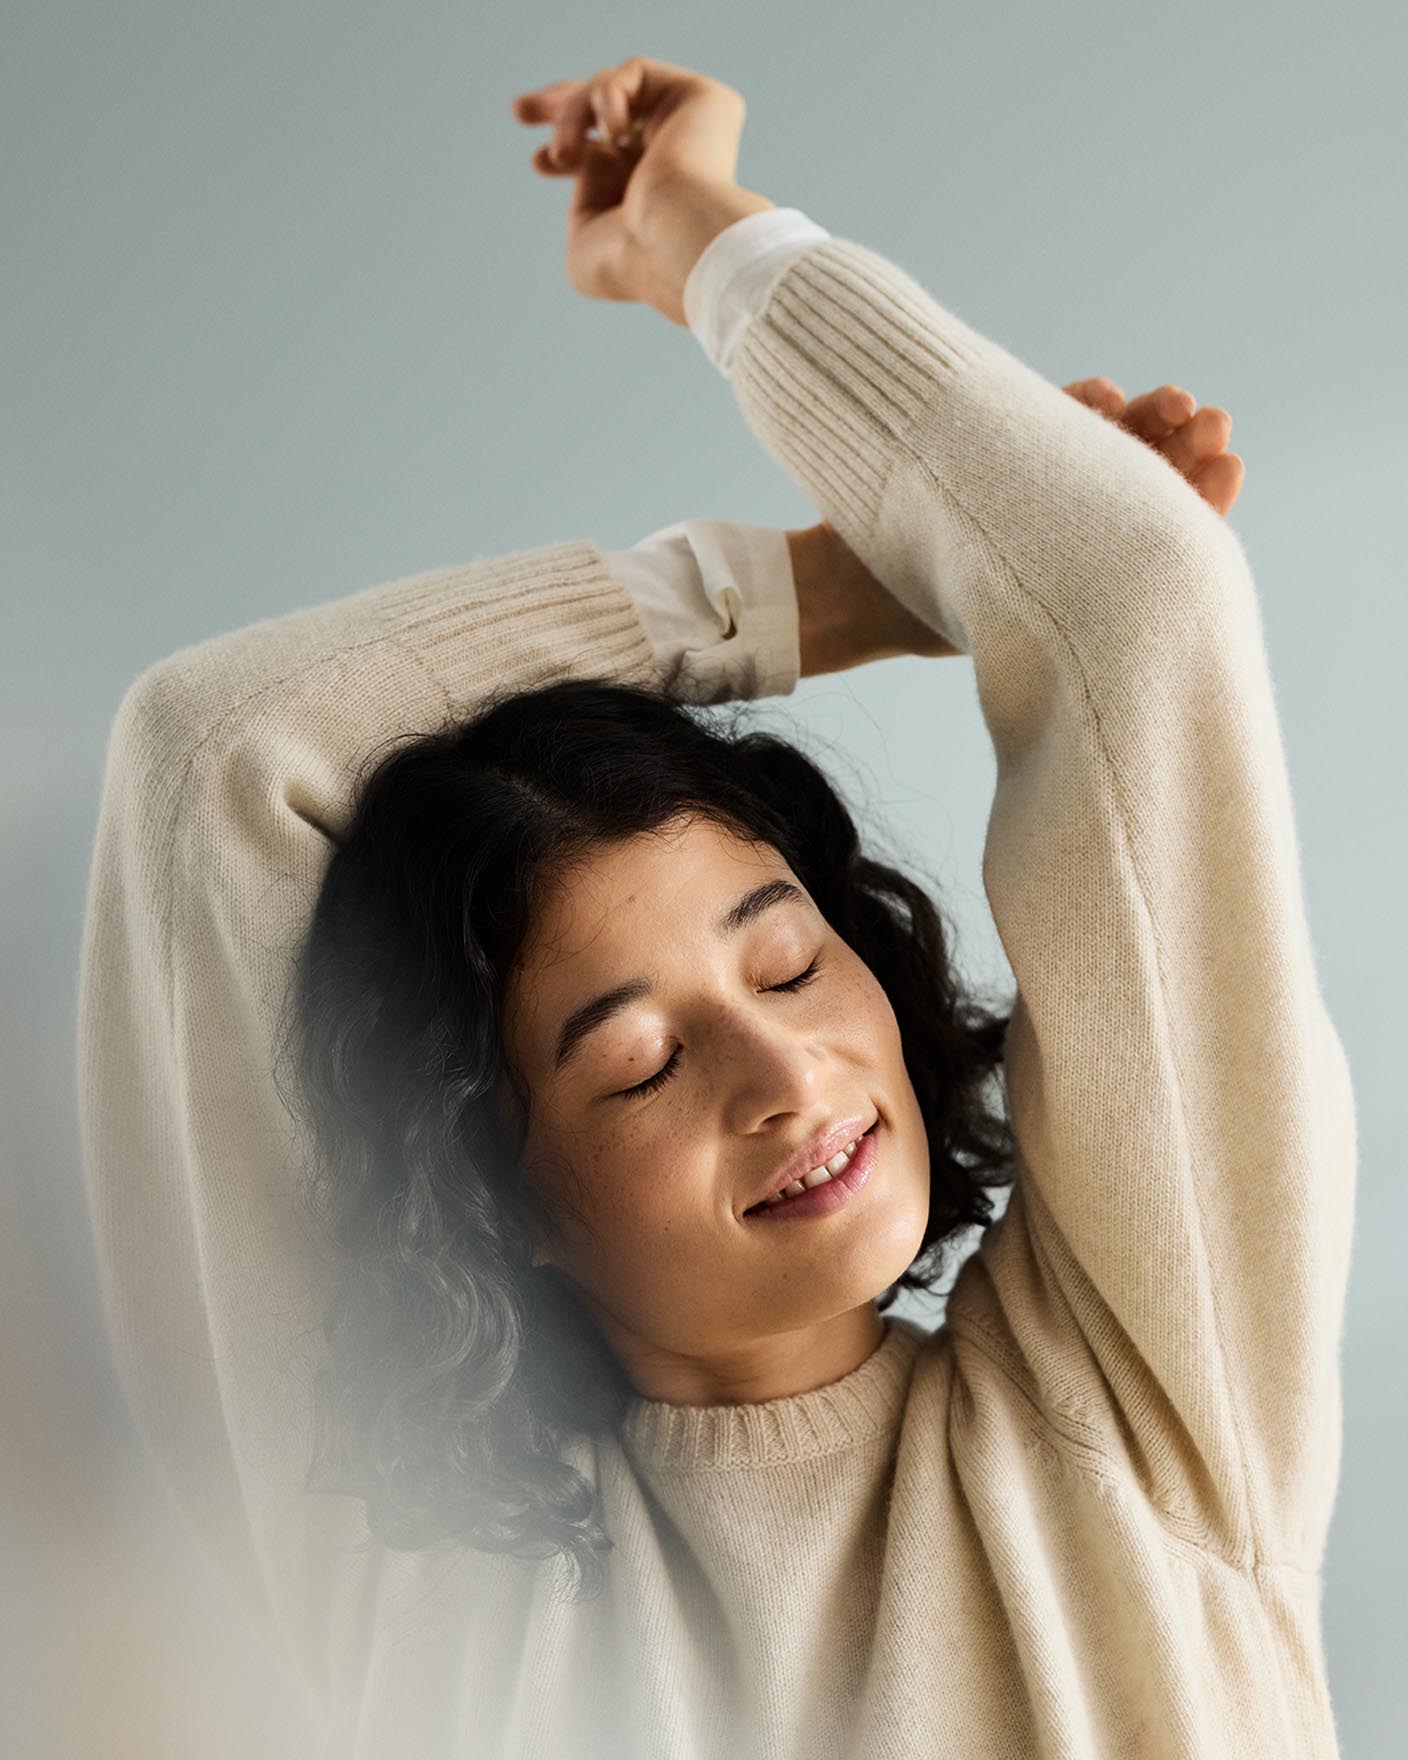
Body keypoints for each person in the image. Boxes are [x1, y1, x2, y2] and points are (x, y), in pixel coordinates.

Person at [78, 54, 1355, 1760]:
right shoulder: (428, 1579)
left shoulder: (1147, 1412)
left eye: (788, 962)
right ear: (500, 1195)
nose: (786, 1074)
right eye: (640, 1065)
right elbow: (213, 754)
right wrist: (827, 587)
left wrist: (695, 235)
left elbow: (1131, 581)